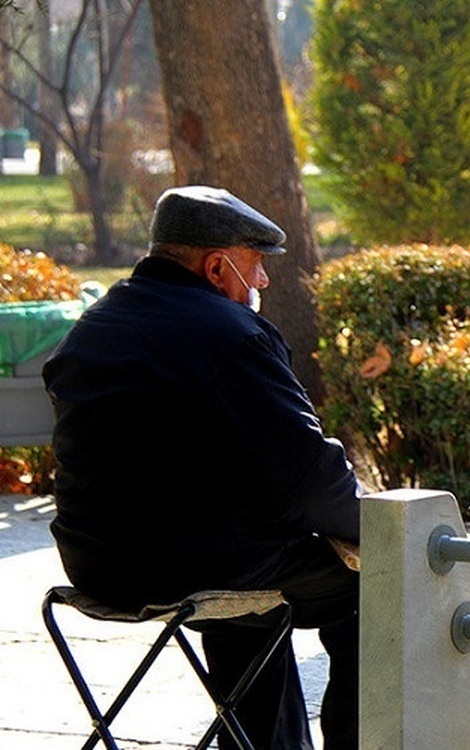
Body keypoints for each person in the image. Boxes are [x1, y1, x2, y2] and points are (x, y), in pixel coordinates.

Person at [43, 185, 361, 750]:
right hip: (195, 564)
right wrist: (379, 528)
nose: (262, 281)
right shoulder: (230, 334)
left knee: (246, 572)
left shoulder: (95, 326)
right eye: (256, 265)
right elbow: (305, 477)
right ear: (217, 267)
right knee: (377, 585)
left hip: (95, 565)